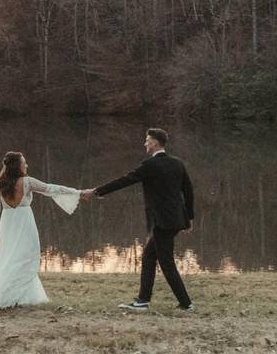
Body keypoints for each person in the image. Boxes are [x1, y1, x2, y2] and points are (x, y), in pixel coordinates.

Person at [0, 151, 81, 319]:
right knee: (23, 258)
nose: (26, 165)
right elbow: (51, 189)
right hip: (24, 223)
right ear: (17, 166)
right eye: (24, 162)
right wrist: (79, 193)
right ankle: (8, 294)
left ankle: (24, 295)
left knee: (12, 259)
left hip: (9, 225)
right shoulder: (27, 182)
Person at [82, 128, 195, 312]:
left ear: (155, 143)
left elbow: (125, 180)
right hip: (175, 220)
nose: (145, 143)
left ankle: (185, 303)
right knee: (149, 256)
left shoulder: (150, 165)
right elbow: (188, 192)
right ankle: (144, 300)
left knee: (166, 262)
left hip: (161, 221)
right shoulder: (177, 164)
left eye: (147, 140)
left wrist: (96, 191)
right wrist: (189, 218)